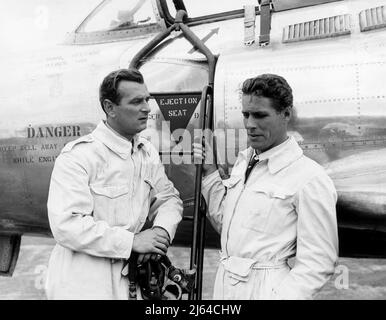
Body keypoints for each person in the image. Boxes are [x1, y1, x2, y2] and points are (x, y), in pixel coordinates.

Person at [193, 74, 338, 300]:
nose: (250, 124)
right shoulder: (244, 164)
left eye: (260, 115)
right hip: (224, 287)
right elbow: (229, 227)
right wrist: (210, 174)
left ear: (286, 114)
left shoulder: (309, 178)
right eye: (246, 115)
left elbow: (319, 261)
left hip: (266, 289)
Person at [45, 69, 183, 299]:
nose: (147, 108)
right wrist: (133, 241)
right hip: (83, 285)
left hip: (131, 284)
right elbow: (66, 225)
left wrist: (159, 233)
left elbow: (168, 199)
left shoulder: (146, 153)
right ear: (110, 108)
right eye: (137, 101)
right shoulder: (79, 156)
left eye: (147, 100)